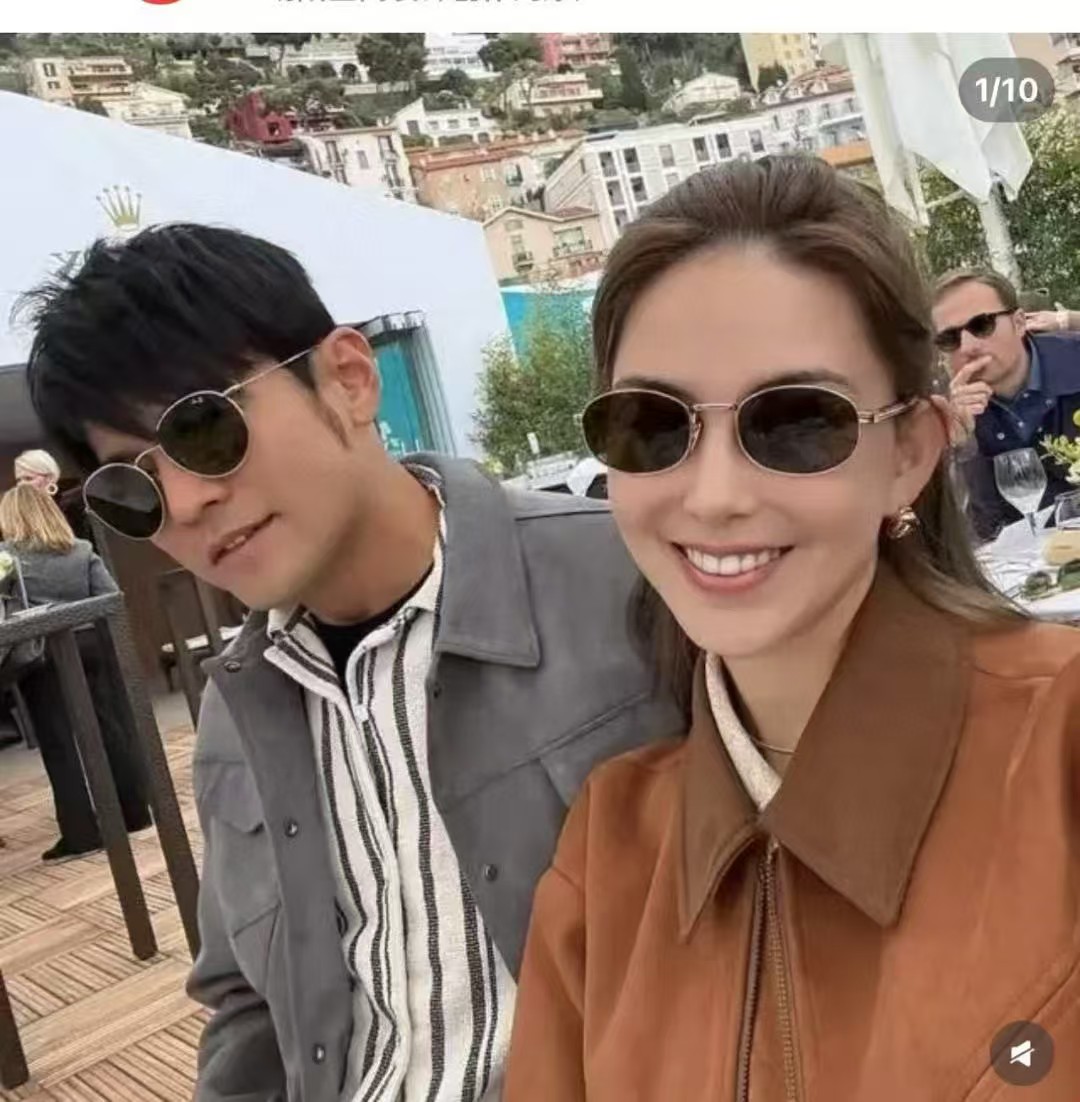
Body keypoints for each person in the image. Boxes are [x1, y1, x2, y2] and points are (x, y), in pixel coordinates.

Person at [20, 223, 679, 1102]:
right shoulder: (236, 714)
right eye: (131, 486)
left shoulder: (634, 586)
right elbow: (245, 1003)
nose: (186, 501)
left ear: (348, 378)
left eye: (204, 429)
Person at [504, 157, 1080, 1101]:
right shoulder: (608, 856)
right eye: (653, 424)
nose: (715, 495)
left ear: (910, 453)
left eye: (798, 422)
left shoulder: (1060, 751)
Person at [0, 484, 151, 862]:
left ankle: (81, 833)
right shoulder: (81, 550)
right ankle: (134, 813)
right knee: (109, 728)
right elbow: (111, 598)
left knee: (59, 744)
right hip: (91, 646)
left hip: (42, 653)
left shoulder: (6, 559)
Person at [932, 268, 1080, 541]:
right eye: (950, 338)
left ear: (1019, 323)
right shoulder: (941, 411)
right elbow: (978, 532)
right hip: (1024, 561)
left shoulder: (1075, 358)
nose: (968, 347)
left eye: (982, 325)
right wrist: (963, 445)